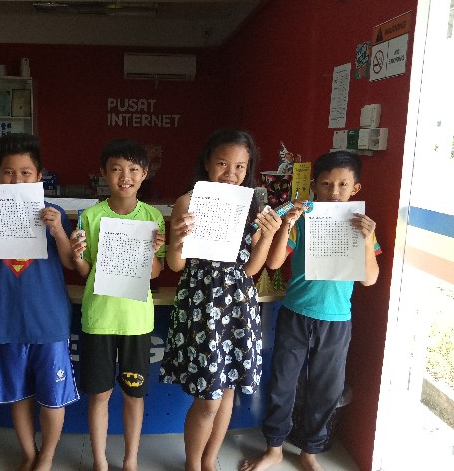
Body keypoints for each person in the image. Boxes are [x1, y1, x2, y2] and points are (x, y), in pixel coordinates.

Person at [241, 150, 381, 471]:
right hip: (296, 313)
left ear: (355, 188)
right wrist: (287, 224)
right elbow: (275, 262)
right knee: (283, 383)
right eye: (326, 184)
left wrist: (367, 239)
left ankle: (310, 452)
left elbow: (370, 279)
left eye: (343, 185)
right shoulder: (303, 217)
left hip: (336, 319)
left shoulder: (361, 226)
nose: (334, 192)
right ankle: (274, 449)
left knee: (326, 390)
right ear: (314, 185)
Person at [158, 129, 283, 471]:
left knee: (228, 392)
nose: (231, 173)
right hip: (201, 306)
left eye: (240, 166)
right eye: (223, 164)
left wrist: (267, 236)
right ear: (207, 163)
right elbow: (176, 265)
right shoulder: (187, 201)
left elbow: (251, 269)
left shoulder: (253, 205)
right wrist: (177, 239)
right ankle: (192, 464)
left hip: (239, 304)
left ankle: (210, 460)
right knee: (208, 399)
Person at [0, 133, 79, 471]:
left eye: (25, 173)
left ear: (39, 176)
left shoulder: (53, 212)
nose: (16, 180)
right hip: (8, 320)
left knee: (53, 397)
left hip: (49, 321)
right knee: (18, 395)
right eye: (8, 172)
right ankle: (29, 453)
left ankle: (46, 455)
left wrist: (58, 231)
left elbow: (70, 263)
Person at [69, 138, 166, 471]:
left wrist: (152, 252)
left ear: (145, 173)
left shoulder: (153, 217)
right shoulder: (91, 216)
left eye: (133, 169)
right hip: (99, 318)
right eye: (116, 169)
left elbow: (156, 272)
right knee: (99, 395)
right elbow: (86, 271)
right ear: (103, 173)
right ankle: (99, 460)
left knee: (134, 395)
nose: (125, 177)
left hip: (136, 320)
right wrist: (77, 256)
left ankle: (130, 460)